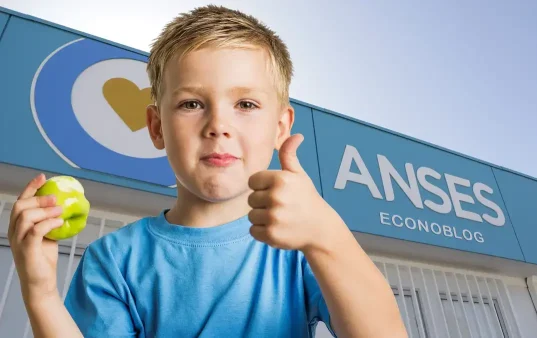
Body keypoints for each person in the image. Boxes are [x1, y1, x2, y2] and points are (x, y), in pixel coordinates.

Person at [8, 5, 407, 338]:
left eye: (246, 105)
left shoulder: (303, 245)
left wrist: (327, 236)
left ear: (280, 128)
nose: (219, 125)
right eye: (191, 104)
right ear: (157, 127)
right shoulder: (115, 258)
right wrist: (41, 293)